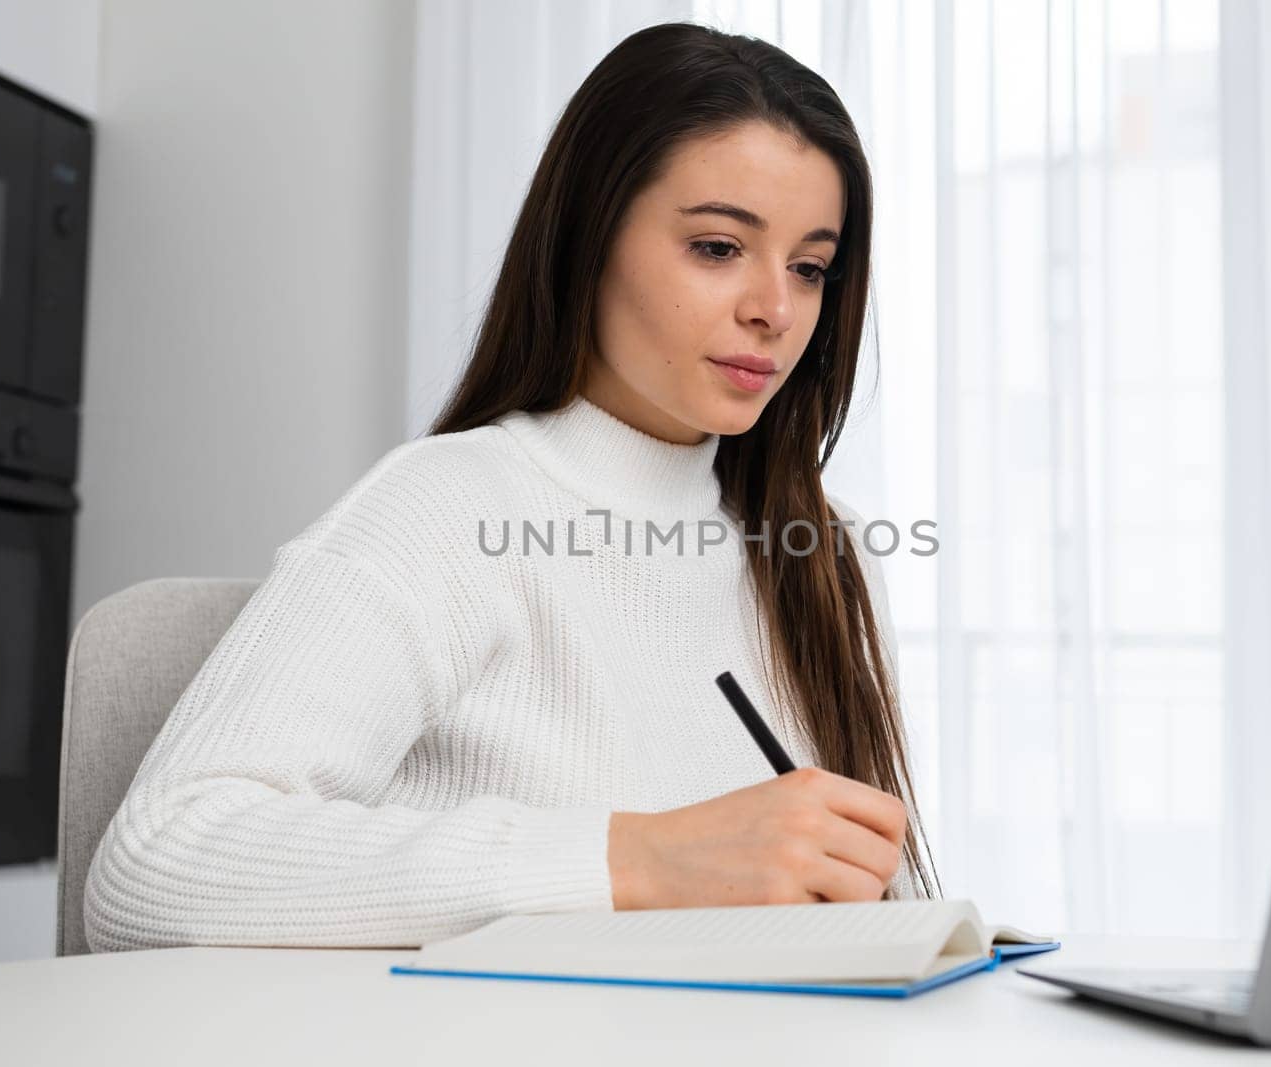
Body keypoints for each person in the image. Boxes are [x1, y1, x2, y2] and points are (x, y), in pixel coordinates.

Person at [83, 21, 940, 952]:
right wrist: (639, 859)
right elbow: (158, 864)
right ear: (589, 238)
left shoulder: (828, 548)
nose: (774, 309)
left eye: (810, 267)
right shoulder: (447, 508)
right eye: (718, 247)